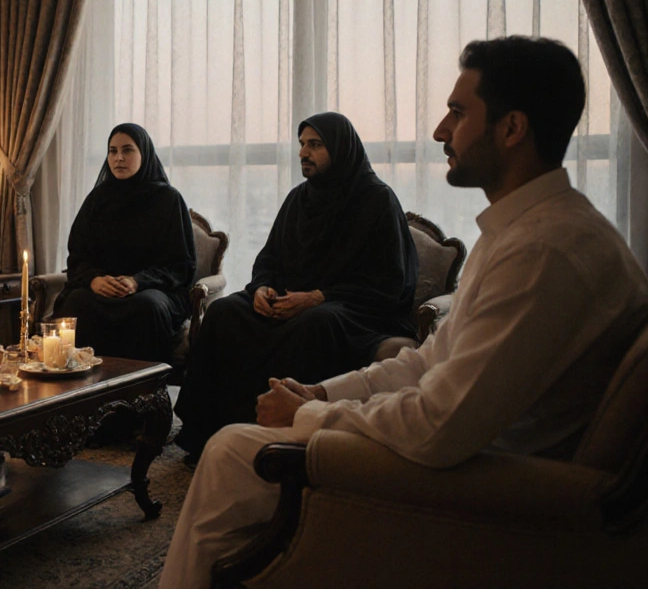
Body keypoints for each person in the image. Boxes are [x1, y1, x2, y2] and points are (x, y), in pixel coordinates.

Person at [160, 36, 648, 588]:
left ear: (512, 128)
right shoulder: (521, 235)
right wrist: (320, 393)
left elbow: (438, 424)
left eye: (458, 113)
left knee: (231, 454)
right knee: (229, 325)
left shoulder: (544, 253)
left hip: (482, 485)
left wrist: (308, 416)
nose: (440, 131)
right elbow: (426, 361)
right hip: (472, 455)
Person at [173, 112, 418, 461]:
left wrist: (318, 297)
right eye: (302, 144)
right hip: (291, 297)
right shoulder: (299, 198)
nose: (304, 152)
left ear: (341, 148)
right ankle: (207, 431)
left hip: (356, 308)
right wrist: (262, 288)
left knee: (316, 323)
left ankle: (287, 440)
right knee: (225, 312)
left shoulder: (377, 200)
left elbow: (390, 281)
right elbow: (269, 259)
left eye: (315, 145)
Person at [53, 123, 196, 362]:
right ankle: (79, 388)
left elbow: (181, 265)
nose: (118, 158)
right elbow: (77, 255)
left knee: (147, 307)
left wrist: (137, 281)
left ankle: (143, 388)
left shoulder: (169, 200)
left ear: (145, 154)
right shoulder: (98, 200)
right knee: (77, 302)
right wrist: (94, 279)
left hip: (152, 290)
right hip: (101, 288)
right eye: (112, 151)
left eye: (127, 150)